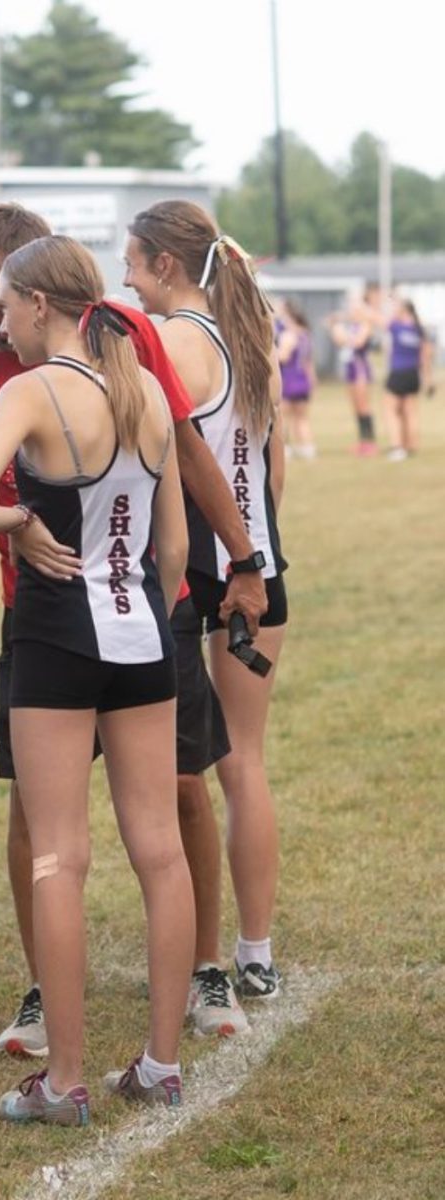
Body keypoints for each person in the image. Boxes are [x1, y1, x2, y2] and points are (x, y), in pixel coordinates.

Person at [0, 203, 267, 1055]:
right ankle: (86, 1013)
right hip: (123, 619)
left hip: (76, 625)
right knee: (68, 828)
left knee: (85, 838)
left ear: (35, 292)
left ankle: (168, 999)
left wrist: (246, 559)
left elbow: (190, 458)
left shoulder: (85, 364)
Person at [0, 235, 193, 1123]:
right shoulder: (143, 395)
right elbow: (172, 549)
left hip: (56, 641)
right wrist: (137, 597)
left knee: (59, 853)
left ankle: (64, 1079)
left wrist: (17, 521)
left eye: (5, 306)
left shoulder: (30, 389)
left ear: (43, 306)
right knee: (158, 851)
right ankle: (161, 1064)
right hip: (144, 640)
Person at [124, 200, 288, 1005]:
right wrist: (260, 552)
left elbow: (169, 455)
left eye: (132, 260)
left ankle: (207, 962)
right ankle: (254, 949)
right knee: (244, 765)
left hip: (210, 569)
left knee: (196, 769)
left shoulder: (179, 341)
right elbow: (275, 466)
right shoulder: (244, 337)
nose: (125, 276)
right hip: (260, 564)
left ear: (165, 263)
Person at [379, 297, 431, 461]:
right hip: (413, 374)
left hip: (399, 372)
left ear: (404, 310)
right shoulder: (419, 329)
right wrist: (427, 379)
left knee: (390, 410)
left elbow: (374, 318)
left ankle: (397, 447)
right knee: (410, 411)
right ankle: (410, 445)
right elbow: (425, 357)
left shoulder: (397, 326)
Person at [327, 291, 378, 456]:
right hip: (350, 368)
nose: (352, 310)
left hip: (360, 368)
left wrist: (342, 331)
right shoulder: (351, 326)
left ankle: (370, 442)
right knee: (356, 406)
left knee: (364, 406)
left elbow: (357, 342)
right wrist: (336, 327)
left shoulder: (365, 325)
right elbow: (340, 341)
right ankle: (362, 441)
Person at [275, 299, 317, 459]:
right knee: (302, 417)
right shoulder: (305, 334)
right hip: (303, 379)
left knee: (284, 417)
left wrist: (271, 353)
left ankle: (286, 449)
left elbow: (284, 357)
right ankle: (307, 448)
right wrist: (312, 382)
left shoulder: (288, 335)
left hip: (289, 379)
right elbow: (309, 362)